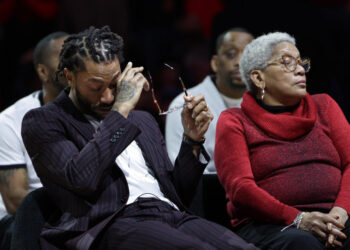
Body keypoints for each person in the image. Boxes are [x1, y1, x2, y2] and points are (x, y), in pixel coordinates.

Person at [21, 26, 258, 250]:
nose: (106, 97)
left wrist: (192, 141)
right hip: (110, 222)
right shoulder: (45, 121)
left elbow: (178, 193)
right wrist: (121, 110)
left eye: (115, 85)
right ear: (69, 77)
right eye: (95, 87)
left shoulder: (142, 119)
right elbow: (82, 179)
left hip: (170, 213)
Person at [215, 32, 350, 249]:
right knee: (303, 243)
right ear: (259, 78)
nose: (299, 70)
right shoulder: (235, 121)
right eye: (287, 62)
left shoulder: (325, 105)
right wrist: (298, 218)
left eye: (300, 62)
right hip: (270, 224)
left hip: (335, 217)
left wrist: (340, 212)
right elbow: (240, 189)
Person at [0, 31, 68, 249]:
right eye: (64, 55)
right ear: (42, 71)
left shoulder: (96, 111)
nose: (74, 63)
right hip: (27, 214)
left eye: (79, 55)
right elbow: (14, 199)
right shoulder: (9, 121)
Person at [165, 28, 253, 173]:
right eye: (231, 54)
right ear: (215, 63)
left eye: (248, 55)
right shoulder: (185, 104)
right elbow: (179, 172)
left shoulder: (267, 101)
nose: (239, 62)